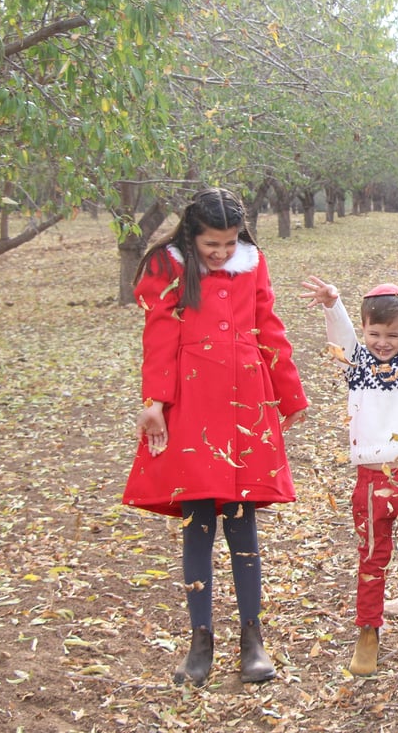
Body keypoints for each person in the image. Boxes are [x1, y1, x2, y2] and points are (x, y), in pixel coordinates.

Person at [123, 187, 308, 687]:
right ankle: (199, 640)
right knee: (198, 520)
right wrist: (153, 402)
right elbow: (159, 334)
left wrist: (289, 395)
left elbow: (269, 325)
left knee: (243, 520)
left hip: (247, 399)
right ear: (191, 233)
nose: (221, 253)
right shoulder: (168, 265)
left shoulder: (253, 262)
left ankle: (253, 639)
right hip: (191, 402)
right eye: (211, 244)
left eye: (229, 243)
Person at [300, 275, 398, 676]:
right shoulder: (357, 366)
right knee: (372, 560)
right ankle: (368, 631)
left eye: (392, 334)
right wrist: (333, 303)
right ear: (364, 331)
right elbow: (343, 336)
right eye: (374, 333)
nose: (383, 342)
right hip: (371, 482)